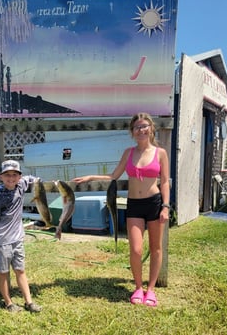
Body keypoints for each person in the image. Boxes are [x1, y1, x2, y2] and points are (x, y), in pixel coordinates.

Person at [72, 113, 170, 307]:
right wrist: (91, 177)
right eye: (137, 127)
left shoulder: (160, 153)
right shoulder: (128, 152)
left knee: (156, 248)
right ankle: (138, 287)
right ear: (132, 132)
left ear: (151, 128)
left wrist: (166, 206)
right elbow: (114, 176)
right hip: (134, 204)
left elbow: (165, 181)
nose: (141, 130)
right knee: (135, 249)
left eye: (144, 126)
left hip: (154, 203)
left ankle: (151, 290)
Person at [0, 159, 42, 313]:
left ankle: (28, 302)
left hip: (18, 240)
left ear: (19, 176)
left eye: (14, 174)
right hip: (3, 242)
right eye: (7, 175)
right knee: (3, 273)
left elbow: (31, 179)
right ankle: (9, 303)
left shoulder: (21, 186)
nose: (11, 178)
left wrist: (38, 180)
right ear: (1, 177)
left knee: (21, 270)